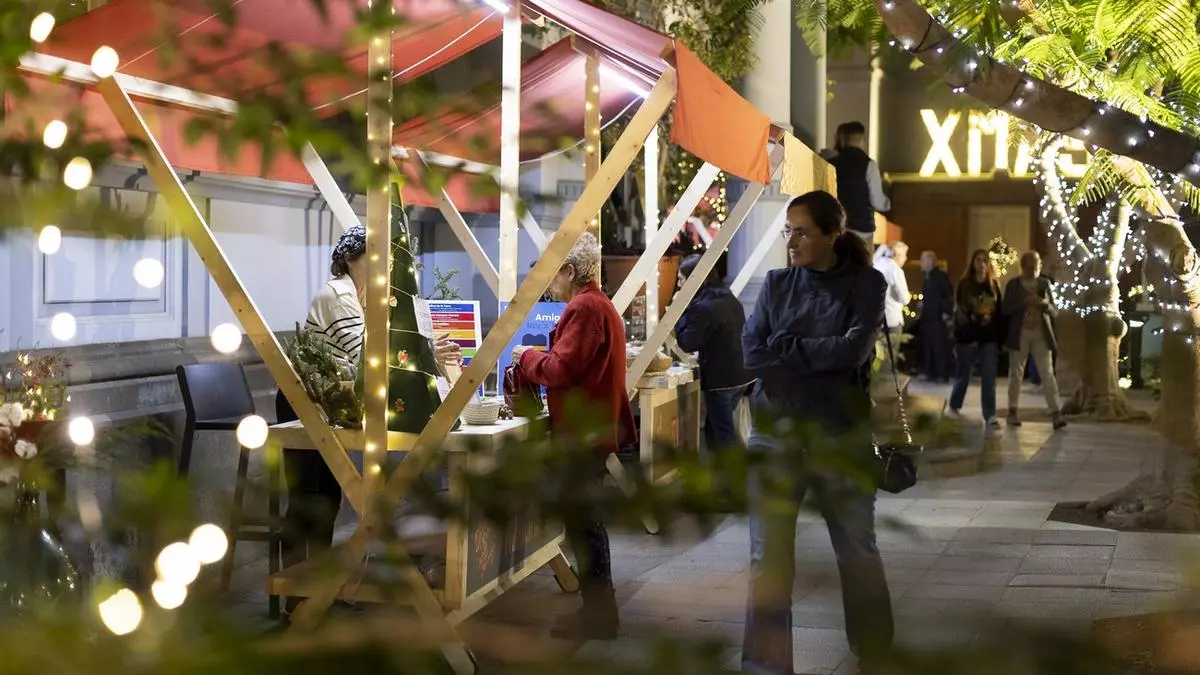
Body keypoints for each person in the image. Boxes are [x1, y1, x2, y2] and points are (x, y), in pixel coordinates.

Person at [741, 191, 892, 674]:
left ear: (832, 234)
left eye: (802, 231)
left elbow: (851, 352)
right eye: (788, 230)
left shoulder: (865, 284)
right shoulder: (776, 283)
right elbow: (750, 352)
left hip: (838, 436)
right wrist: (809, 356)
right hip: (774, 434)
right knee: (768, 558)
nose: (792, 241)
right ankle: (765, 665)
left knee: (856, 550)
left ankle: (874, 649)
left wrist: (786, 348)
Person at [278, 225, 461, 618]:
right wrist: (424, 351)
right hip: (302, 403)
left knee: (327, 499)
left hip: (331, 406)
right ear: (349, 259)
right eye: (371, 257)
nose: (380, 265)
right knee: (311, 501)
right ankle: (296, 598)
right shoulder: (339, 296)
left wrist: (426, 350)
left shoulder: (364, 298)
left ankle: (319, 591)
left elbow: (379, 355)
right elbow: (367, 355)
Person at [512, 232, 636, 641]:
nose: (548, 283)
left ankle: (600, 615)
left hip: (584, 431)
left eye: (552, 273)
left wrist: (527, 357)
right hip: (593, 426)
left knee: (585, 524)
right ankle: (600, 612)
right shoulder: (596, 304)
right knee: (586, 522)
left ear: (569, 270)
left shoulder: (584, 307)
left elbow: (562, 369)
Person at [674, 254, 753, 458]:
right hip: (740, 375)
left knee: (723, 436)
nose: (678, 285)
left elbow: (687, 342)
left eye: (681, 279)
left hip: (721, 380)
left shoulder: (702, 307)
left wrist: (678, 311)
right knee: (715, 430)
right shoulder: (726, 296)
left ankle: (732, 482)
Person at [1002, 251, 1066, 429]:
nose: (1034, 270)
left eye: (1037, 266)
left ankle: (1056, 413)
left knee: (1047, 373)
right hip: (1020, 333)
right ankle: (1012, 411)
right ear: (1023, 267)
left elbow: (1054, 310)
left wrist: (1044, 304)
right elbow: (1005, 309)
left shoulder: (1044, 284)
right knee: (1016, 373)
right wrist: (1023, 302)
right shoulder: (1014, 285)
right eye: (1030, 267)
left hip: (1040, 333)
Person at [948, 249, 1003, 429]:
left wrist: (991, 319)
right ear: (973, 262)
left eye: (985, 260)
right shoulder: (965, 284)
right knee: (963, 373)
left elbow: (999, 310)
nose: (982, 264)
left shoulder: (993, 285)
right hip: (968, 334)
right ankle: (955, 405)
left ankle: (990, 414)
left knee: (988, 376)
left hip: (989, 336)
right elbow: (960, 309)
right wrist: (977, 318)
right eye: (978, 260)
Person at [829, 121, 891, 242]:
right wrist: (887, 204)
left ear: (844, 139)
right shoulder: (869, 164)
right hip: (862, 231)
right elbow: (877, 201)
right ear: (864, 139)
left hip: (837, 230)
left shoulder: (831, 164)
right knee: (861, 260)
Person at [873, 242, 911, 376]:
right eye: (905, 255)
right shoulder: (895, 269)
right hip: (893, 320)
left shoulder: (877, 263)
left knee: (878, 357)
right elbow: (905, 298)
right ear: (898, 254)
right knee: (890, 358)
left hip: (877, 319)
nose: (905, 259)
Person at [918, 250, 954, 382]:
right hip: (929, 318)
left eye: (923, 260)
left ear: (930, 261)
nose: (921, 263)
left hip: (937, 319)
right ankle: (931, 372)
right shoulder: (928, 278)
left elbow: (948, 296)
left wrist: (946, 313)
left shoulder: (940, 277)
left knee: (939, 347)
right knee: (929, 346)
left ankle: (941, 373)